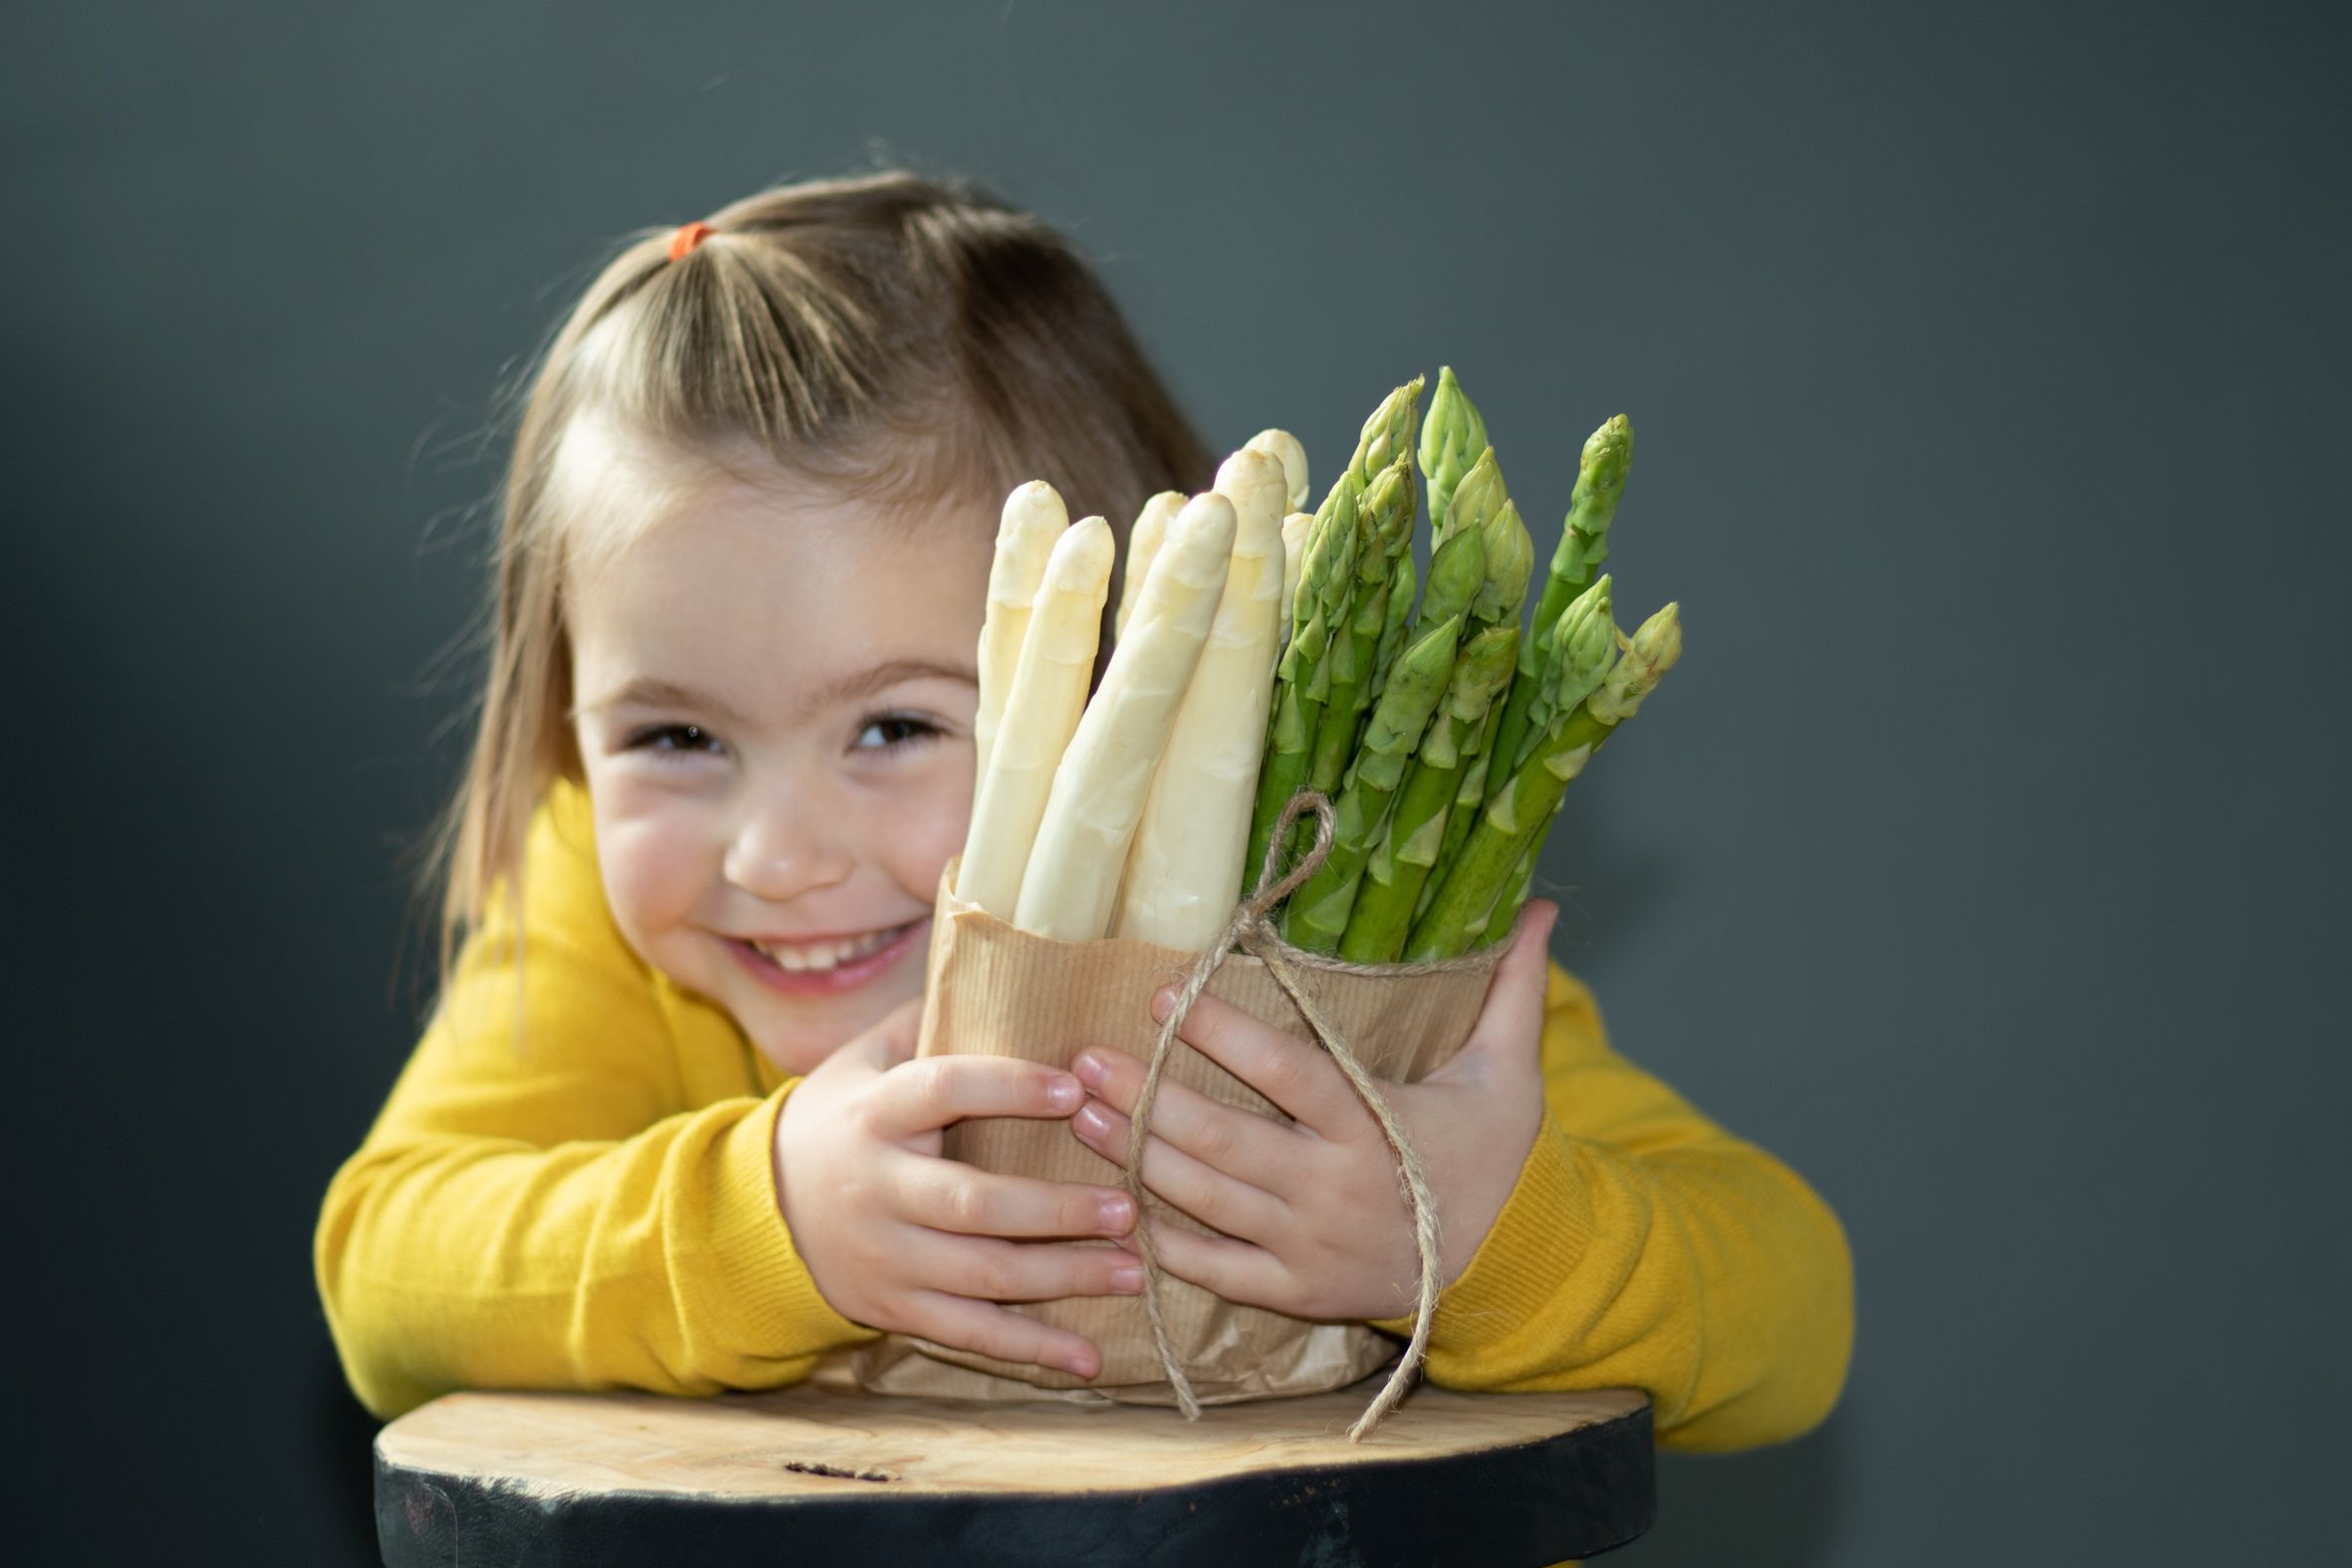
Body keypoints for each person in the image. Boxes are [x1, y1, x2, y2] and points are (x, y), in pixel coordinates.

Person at [316, 171, 1854, 1455]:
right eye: (673, 737)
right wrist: (767, 1214)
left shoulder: (1327, 905)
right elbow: (386, 1283)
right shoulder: (603, 902)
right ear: (563, 721)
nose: (776, 856)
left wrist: (1475, 1232)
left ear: (1149, 670)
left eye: (898, 724)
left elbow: (1794, 1322)